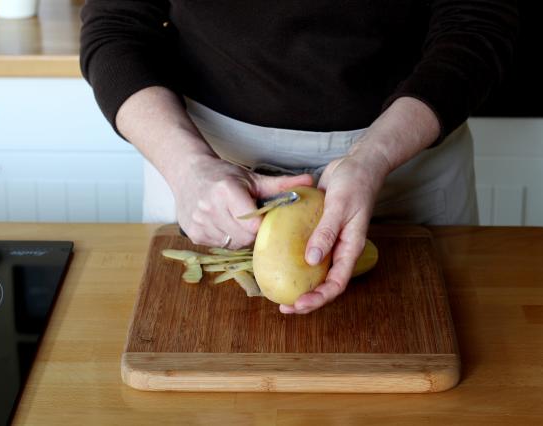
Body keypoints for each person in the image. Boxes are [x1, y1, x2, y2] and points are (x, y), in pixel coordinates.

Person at [80, 1, 518, 314]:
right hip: (204, 166)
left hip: (404, 157)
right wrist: (186, 165)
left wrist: (375, 157)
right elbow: (115, 25)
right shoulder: (192, 167)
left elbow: (479, 21)